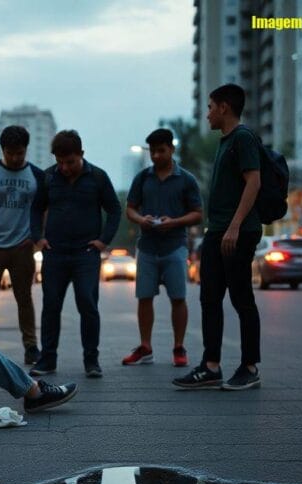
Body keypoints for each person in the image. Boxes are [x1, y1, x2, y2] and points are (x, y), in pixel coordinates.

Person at [173, 84, 263, 391]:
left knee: (241, 297)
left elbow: (254, 181)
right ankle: (211, 365)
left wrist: (235, 226)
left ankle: (250, 367)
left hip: (238, 231)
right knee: (209, 297)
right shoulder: (226, 141)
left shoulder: (243, 138)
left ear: (224, 107)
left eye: (210, 107)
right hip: (217, 231)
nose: (207, 113)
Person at [29, 130, 122, 379]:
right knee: (51, 306)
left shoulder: (98, 177)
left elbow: (114, 210)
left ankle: (91, 361)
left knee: (87, 304)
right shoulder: (48, 177)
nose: (64, 167)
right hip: (54, 253)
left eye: (69, 162)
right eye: (60, 162)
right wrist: (38, 238)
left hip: (86, 254)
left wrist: (103, 241)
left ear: (81, 154)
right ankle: (47, 360)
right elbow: (36, 209)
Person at [121, 129, 203, 368]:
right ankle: (145, 347)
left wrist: (174, 222)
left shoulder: (186, 179)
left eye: (161, 151)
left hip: (175, 246)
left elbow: (198, 214)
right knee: (144, 298)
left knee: (178, 297)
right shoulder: (142, 178)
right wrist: (141, 219)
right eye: (153, 152)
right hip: (147, 246)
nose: (156, 156)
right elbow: (130, 208)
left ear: (171, 149)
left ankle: (179, 347)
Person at [0, 126, 45, 365]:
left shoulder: (36, 175)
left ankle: (31, 347)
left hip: (22, 247)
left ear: (26, 150)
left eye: (19, 153)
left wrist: (36, 236)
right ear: (2, 150)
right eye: (10, 153)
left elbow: (43, 209)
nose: (14, 158)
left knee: (25, 297)